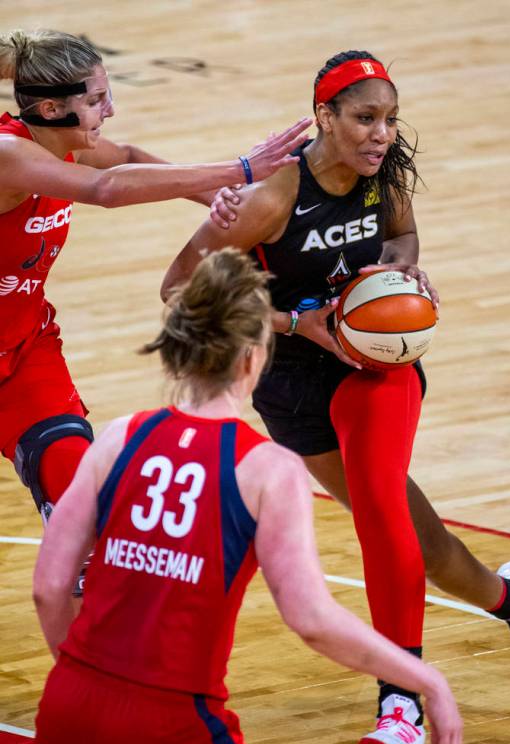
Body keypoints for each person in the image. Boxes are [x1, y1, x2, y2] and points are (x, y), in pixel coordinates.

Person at [162, 50, 510, 744]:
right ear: (323, 117)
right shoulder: (273, 198)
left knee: (377, 515)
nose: (381, 133)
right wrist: (300, 323)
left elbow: (402, 237)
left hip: (375, 367)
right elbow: (179, 291)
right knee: (419, 542)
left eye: (390, 119)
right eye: (365, 118)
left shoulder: (383, 175)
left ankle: (400, 706)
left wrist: (402, 270)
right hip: (290, 377)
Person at [30, 246, 462, 744]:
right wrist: (424, 679)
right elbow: (311, 620)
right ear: (255, 355)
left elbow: (49, 589)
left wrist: (85, 684)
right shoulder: (267, 469)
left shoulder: (118, 437)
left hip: (70, 704)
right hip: (173, 723)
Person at [0, 28, 309, 580]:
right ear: (50, 107)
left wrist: (218, 198)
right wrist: (241, 169)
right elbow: (108, 189)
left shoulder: (66, 145)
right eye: (95, 100)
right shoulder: (7, 157)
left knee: (84, 524)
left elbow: (131, 160)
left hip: (21, 350)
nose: (110, 110)